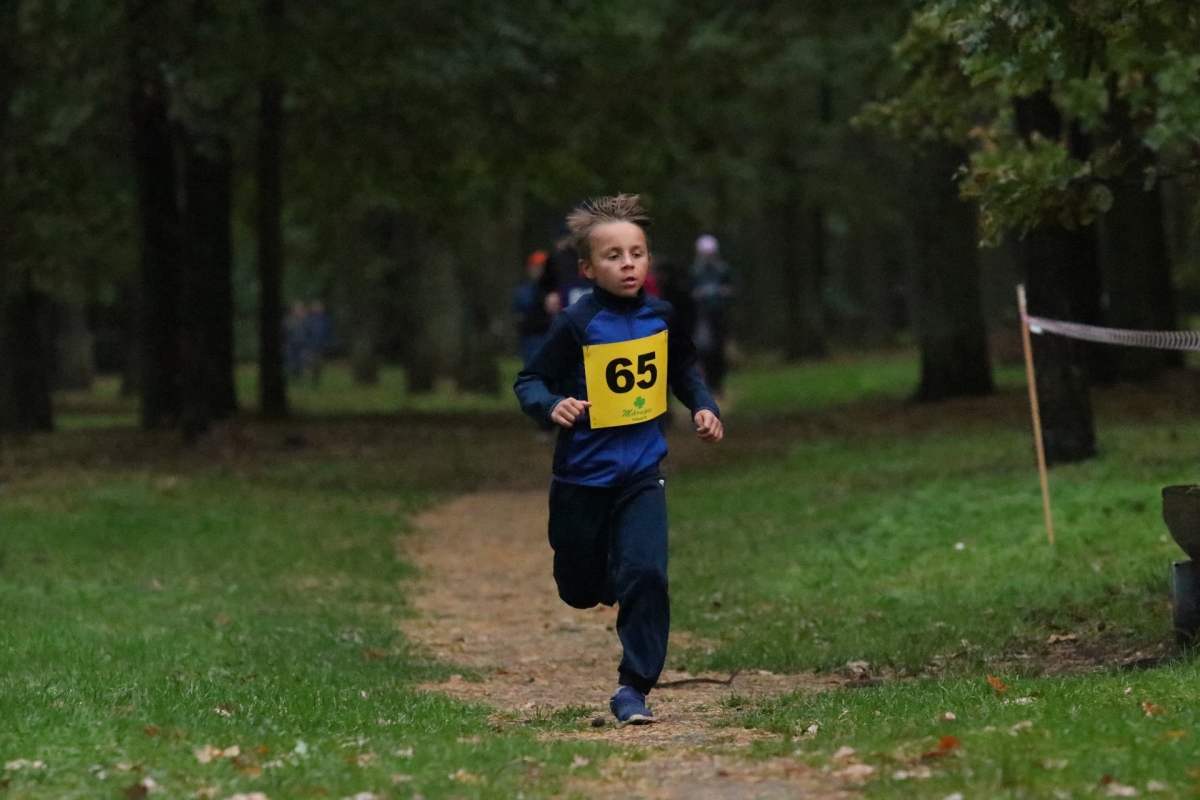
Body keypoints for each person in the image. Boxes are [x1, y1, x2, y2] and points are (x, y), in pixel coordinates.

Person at [513, 194, 723, 725]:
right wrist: (551, 404)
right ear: (588, 268)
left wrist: (703, 408)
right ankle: (605, 572)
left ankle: (634, 688)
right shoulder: (577, 325)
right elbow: (530, 380)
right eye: (613, 256)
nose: (628, 264)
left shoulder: (661, 316)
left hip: (641, 473)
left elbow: (684, 375)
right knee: (580, 590)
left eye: (637, 253)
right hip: (582, 476)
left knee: (648, 573)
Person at [690, 234, 735, 394]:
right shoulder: (695, 272)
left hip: (719, 315)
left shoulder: (722, 270)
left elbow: (732, 290)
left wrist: (724, 294)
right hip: (702, 316)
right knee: (704, 350)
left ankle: (718, 383)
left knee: (719, 350)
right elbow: (689, 293)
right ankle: (707, 382)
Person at [513, 250, 554, 366]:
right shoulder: (523, 292)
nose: (538, 271)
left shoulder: (556, 290)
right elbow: (519, 318)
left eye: (542, 267)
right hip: (532, 341)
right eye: (535, 267)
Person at [302, 300, 335, 387]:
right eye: (316, 307)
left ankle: (316, 381)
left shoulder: (326, 320)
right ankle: (308, 381)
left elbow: (329, 333)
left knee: (319, 365)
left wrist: (329, 343)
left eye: (320, 307)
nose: (319, 309)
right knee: (310, 364)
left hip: (321, 346)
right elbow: (305, 333)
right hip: (310, 346)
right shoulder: (308, 320)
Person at [284, 301, 308, 379]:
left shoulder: (306, 321)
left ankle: (299, 376)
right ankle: (293, 376)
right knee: (292, 363)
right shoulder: (288, 321)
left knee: (301, 362)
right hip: (291, 345)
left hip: (302, 345)